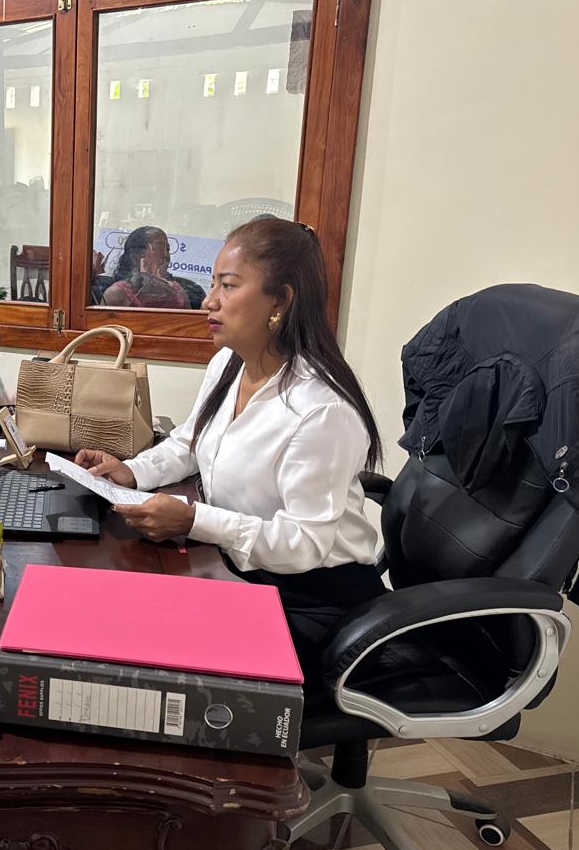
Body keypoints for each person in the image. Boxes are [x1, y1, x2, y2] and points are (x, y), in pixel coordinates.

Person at [76, 217, 385, 679]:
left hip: (311, 600)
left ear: (280, 301)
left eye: (228, 285)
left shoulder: (320, 409)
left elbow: (304, 544)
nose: (209, 301)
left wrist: (194, 520)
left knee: (150, 656)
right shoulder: (228, 363)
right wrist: (132, 471)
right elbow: (190, 441)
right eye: (212, 284)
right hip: (237, 568)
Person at [100, 226, 190, 309]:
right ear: (136, 256)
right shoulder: (117, 294)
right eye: (159, 248)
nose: (166, 255)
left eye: (167, 249)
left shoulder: (177, 291)